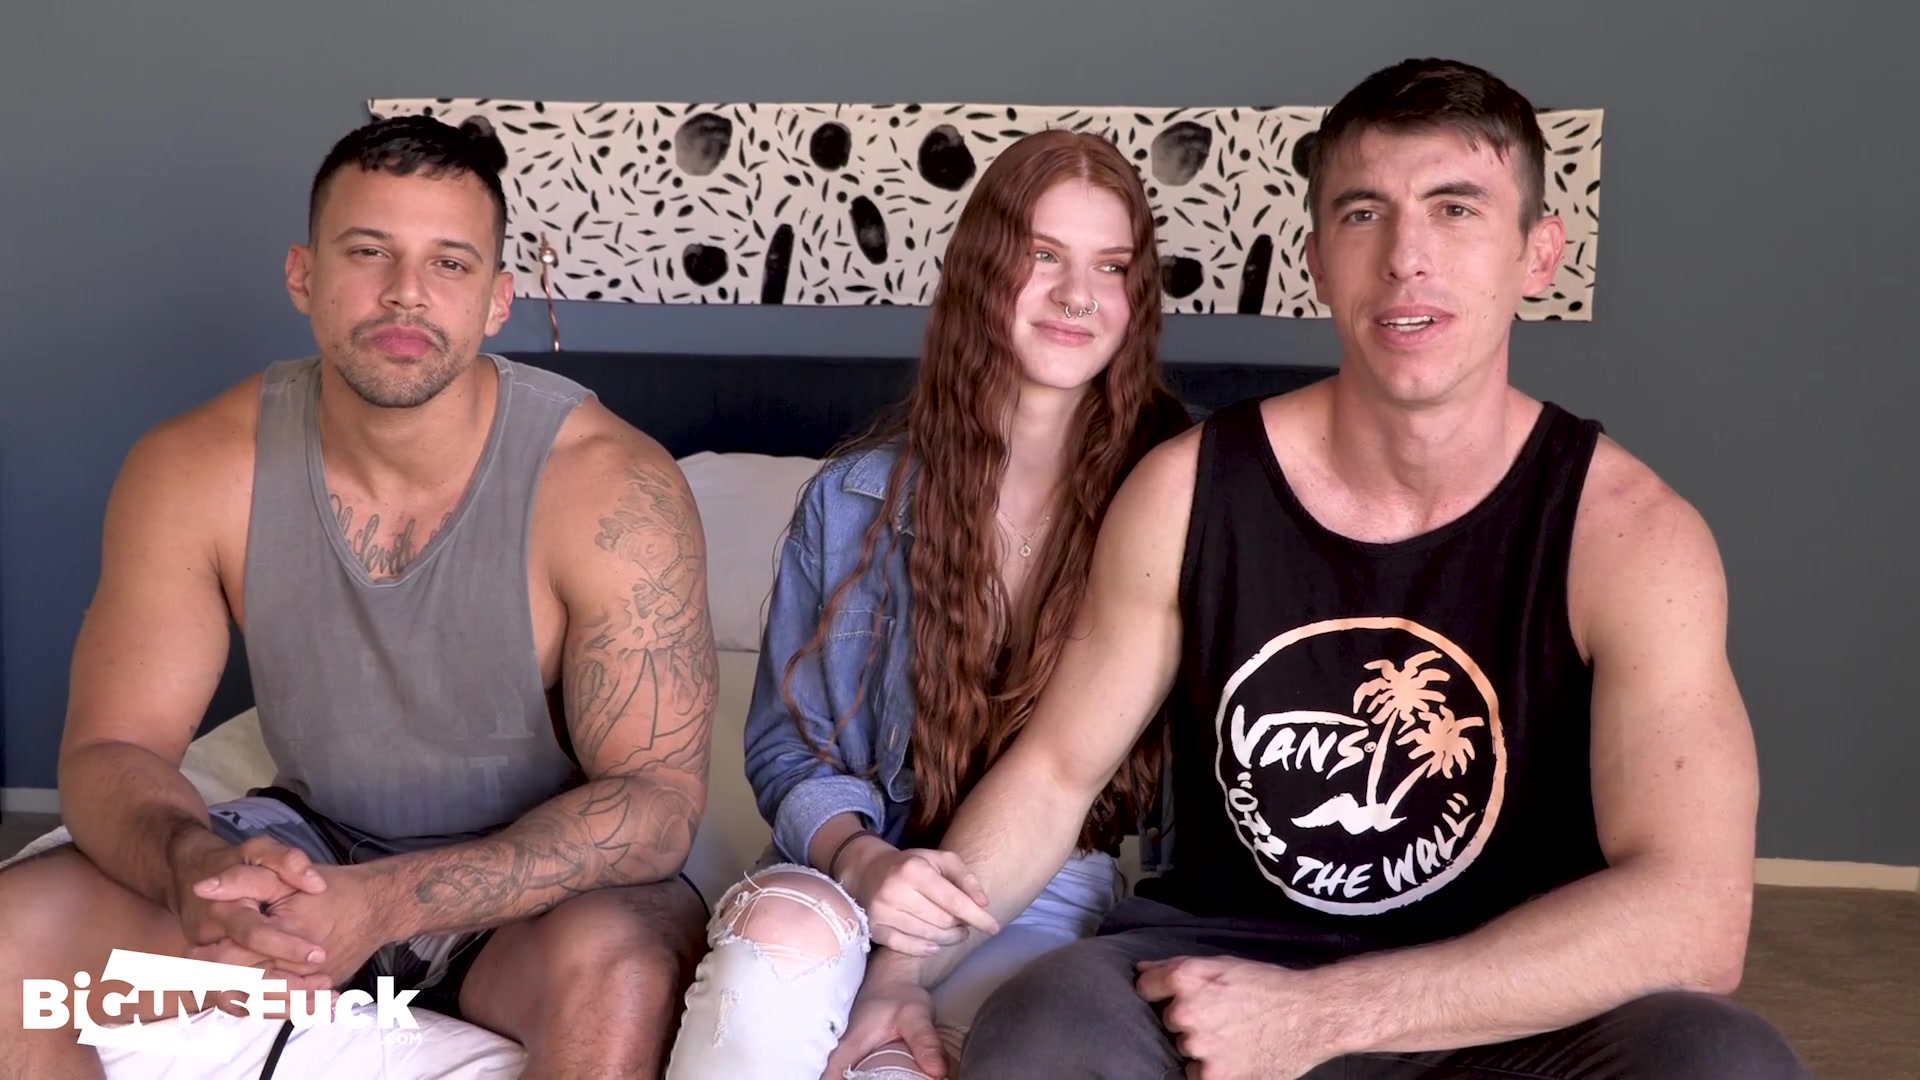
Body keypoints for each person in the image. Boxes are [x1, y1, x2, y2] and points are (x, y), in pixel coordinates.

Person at [825, 58, 1810, 1080]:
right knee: (1046, 1024)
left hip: (1507, 998)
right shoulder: (1188, 491)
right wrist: (900, 973)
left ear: (1538, 254)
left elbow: (1695, 913)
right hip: (1215, 976)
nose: (1406, 258)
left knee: (1723, 1060)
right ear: (1317, 261)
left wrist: (1322, 1016)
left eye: (1456, 210)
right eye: (1363, 214)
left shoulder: (1634, 539)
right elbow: (1055, 773)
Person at [0, 115, 716, 1078]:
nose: (406, 290)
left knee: (625, 978)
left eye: (450, 263)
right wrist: (190, 862)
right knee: (10, 942)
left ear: (498, 300)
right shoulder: (195, 466)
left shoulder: (611, 487)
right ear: (303, 275)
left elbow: (658, 804)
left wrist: (387, 903)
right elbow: (113, 748)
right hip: (310, 849)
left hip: (527, 894)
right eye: (369, 251)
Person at [662, 129, 1191, 1079]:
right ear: (980, 271)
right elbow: (787, 748)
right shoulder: (854, 499)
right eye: (1043, 255)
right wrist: (864, 863)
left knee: (931, 1058)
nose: (1078, 294)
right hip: (851, 864)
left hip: (1039, 891)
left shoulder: (1175, 501)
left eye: (1111, 266)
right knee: (775, 955)